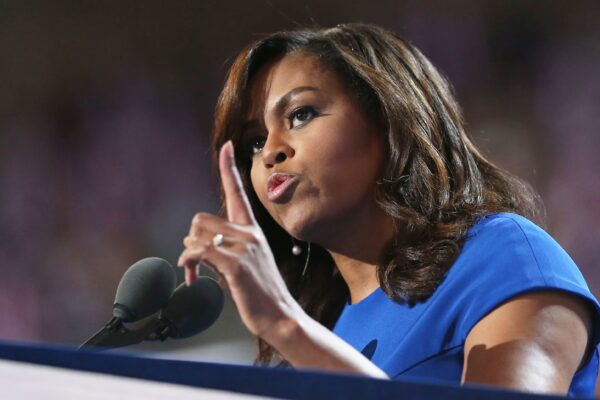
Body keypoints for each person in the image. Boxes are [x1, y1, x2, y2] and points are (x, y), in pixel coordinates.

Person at [177, 23, 600, 396]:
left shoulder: (502, 256)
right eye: (254, 141)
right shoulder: (324, 329)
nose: (270, 151)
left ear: (389, 120)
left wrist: (285, 326)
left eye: (301, 114)